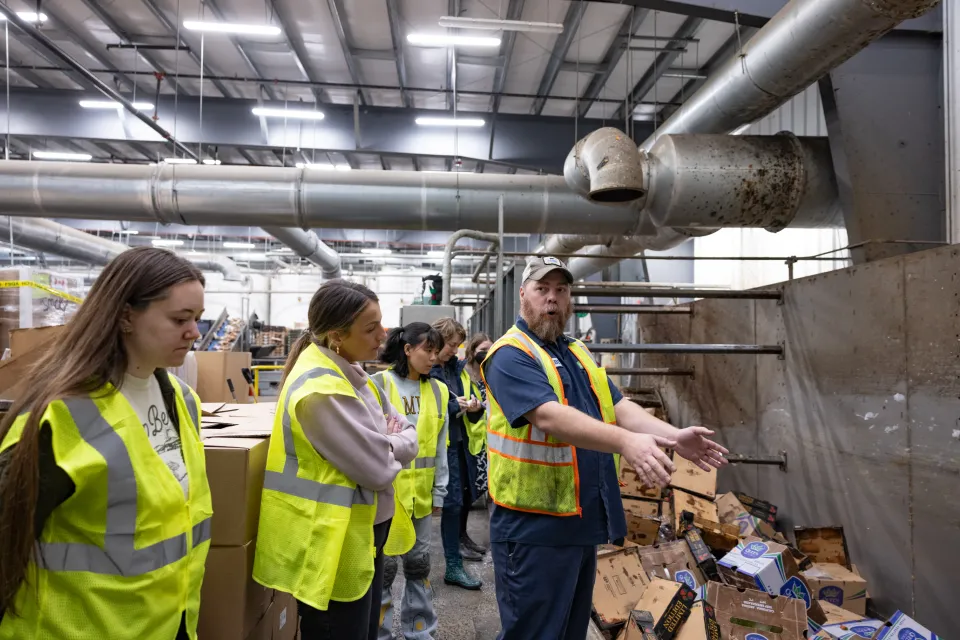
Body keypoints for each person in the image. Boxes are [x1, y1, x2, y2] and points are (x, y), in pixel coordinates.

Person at [482, 256, 729, 640]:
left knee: (567, 632)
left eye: (561, 290)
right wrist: (626, 442)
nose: (552, 299)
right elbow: (549, 417)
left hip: (579, 521)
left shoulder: (577, 351)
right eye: (542, 289)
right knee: (533, 633)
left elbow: (616, 406)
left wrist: (673, 435)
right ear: (522, 295)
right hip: (533, 526)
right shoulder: (510, 354)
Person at [0, 247, 210, 640]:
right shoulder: (58, 417)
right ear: (126, 315)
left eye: (197, 319)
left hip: (168, 622)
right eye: (180, 319)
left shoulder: (181, 401)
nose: (194, 332)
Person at [254, 280, 420, 640]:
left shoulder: (355, 375)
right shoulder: (321, 390)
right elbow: (378, 469)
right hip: (333, 543)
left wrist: (390, 441)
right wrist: (394, 442)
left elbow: (409, 433)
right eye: (371, 327)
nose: (384, 334)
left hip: (358, 534)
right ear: (336, 336)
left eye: (382, 323)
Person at [373, 323, 449, 640]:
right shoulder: (378, 385)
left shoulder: (439, 391)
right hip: (387, 496)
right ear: (408, 350)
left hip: (421, 496)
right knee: (385, 570)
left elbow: (441, 446)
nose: (434, 357)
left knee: (419, 566)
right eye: (427, 350)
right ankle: (379, 633)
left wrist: (440, 493)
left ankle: (420, 632)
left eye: (436, 351)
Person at [429, 318, 483, 590]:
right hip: (441, 447)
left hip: (460, 443)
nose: (454, 350)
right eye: (451, 345)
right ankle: (451, 565)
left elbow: (460, 397)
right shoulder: (426, 371)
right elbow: (429, 411)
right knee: (449, 506)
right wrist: (453, 406)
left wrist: (473, 407)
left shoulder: (455, 369)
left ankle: (454, 563)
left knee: (459, 502)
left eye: (457, 345)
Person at [460, 333, 492, 520]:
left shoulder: (492, 370)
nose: (486, 354)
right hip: (469, 434)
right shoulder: (464, 372)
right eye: (482, 350)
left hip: (488, 436)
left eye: (489, 350)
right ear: (472, 351)